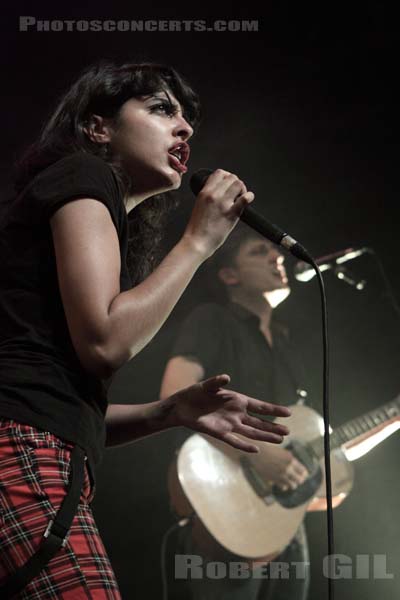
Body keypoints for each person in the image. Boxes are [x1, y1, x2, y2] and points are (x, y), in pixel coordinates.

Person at [0, 60, 291, 599]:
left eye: (188, 120)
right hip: (22, 456)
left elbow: (47, 396)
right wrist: (199, 244)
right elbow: (105, 343)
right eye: (162, 109)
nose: (184, 129)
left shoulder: (93, 204)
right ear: (97, 128)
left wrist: (168, 412)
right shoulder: (83, 176)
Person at [160, 223, 310, 600]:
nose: (277, 257)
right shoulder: (212, 319)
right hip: (227, 507)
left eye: (274, 252)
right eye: (258, 253)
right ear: (229, 275)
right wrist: (254, 455)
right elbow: (176, 396)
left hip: (284, 514)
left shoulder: (287, 340)